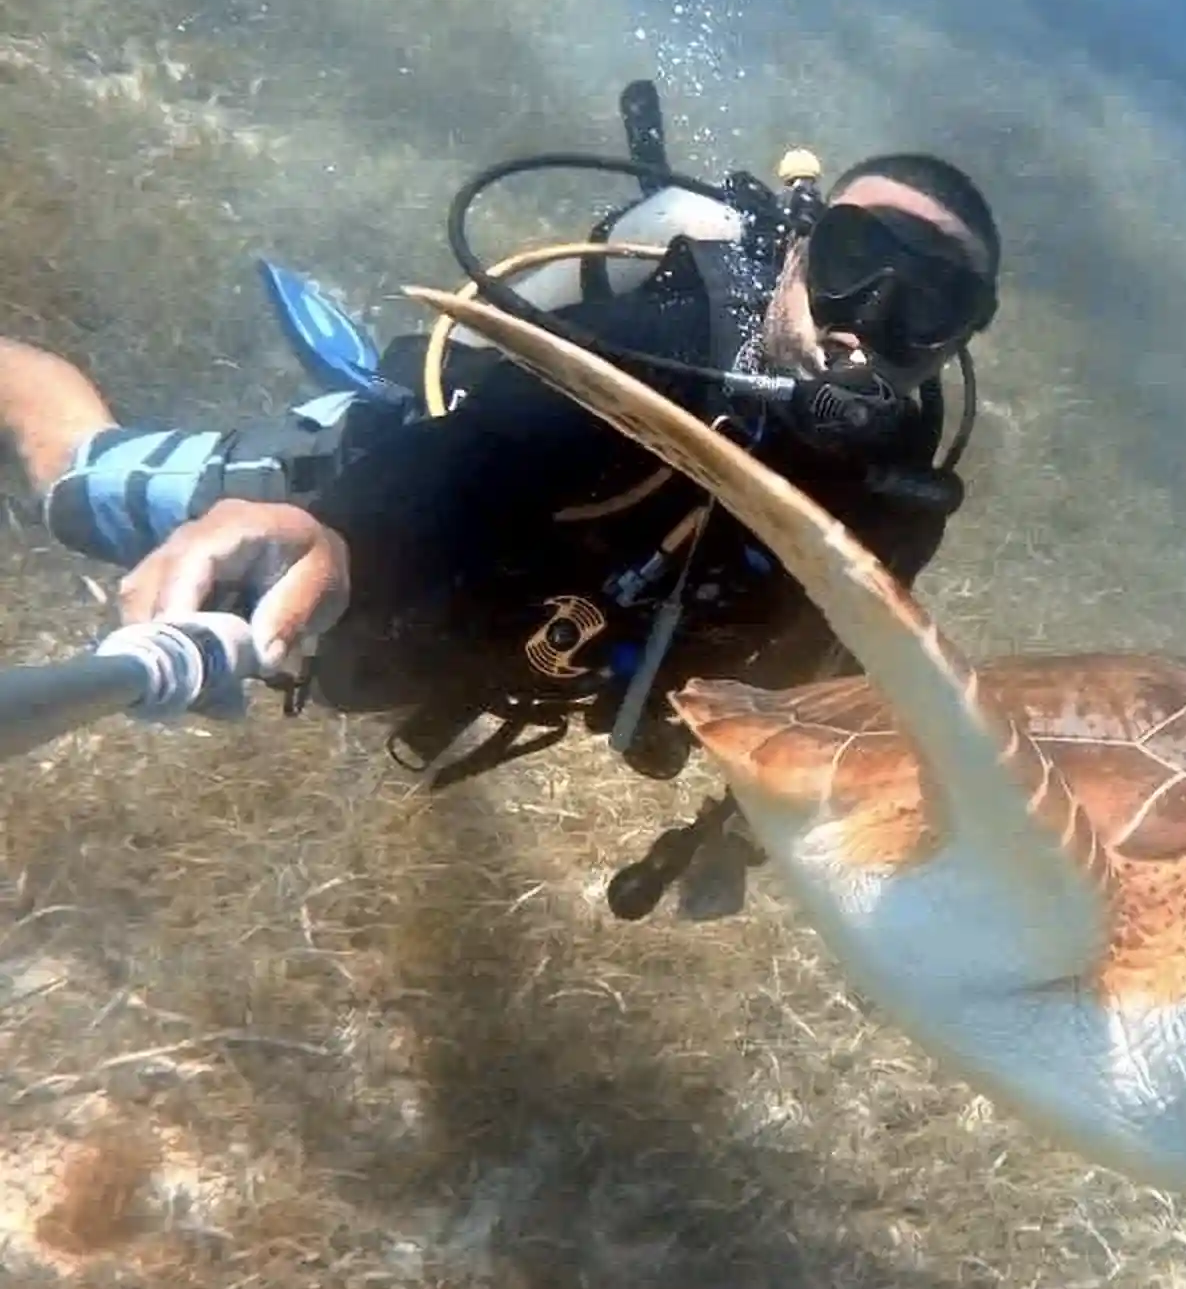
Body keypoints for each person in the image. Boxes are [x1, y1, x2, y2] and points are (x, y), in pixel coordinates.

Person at [0, 81, 1002, 916]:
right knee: (81, 487)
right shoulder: (660, 334)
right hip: (369, 492)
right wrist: (323, 533)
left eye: (930, 305)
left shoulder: (896, 499)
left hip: (497, 642)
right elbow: (469, 457)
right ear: (797, 250)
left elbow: (826, 685)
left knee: (361, 684)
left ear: (959, 340)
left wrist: (738, 834)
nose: (868, 325)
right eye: (852, 263)